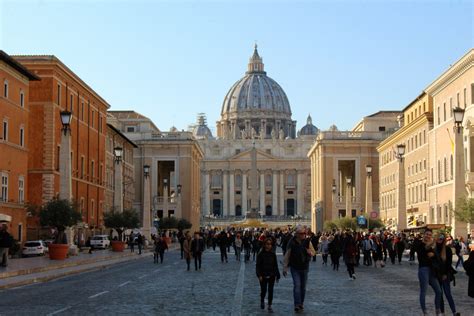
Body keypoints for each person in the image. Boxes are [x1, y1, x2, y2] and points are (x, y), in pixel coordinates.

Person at [283, 226, 316, 313]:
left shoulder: (307, 242)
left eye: (304, 233)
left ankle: (301, 303)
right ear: (297, 234)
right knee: (297, 286)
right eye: (302, 234)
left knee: (303, 287)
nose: (304, 235)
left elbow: (313, 252)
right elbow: (287, 255)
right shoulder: (291, 242)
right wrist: (285, 267)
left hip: (305, 267)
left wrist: (310, 252)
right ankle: (297, 304)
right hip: (295, 267)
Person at [415, 229, 443, 316]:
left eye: (430, 234)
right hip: (423, 269)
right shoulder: (419, 244)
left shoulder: (432, 246)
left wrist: (433, 254)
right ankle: (425, 312)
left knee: (438, 291)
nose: (428, 236)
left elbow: (436, 257)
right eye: (427, 234)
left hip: (432, 270)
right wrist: (433, 243)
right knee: (424, 291)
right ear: (424, 235)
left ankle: (437, 310)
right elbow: (424, 249)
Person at [433, 233, 459, 316]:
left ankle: (454, 312)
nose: (440, 240)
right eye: (438, 238)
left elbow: (449, 263)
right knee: (439, 294)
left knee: (448, 294)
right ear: (436, 239)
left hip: (445, 275)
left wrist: (445, 274)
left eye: (441, 239)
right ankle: (442, 312)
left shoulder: (447, 249)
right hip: (436, 275)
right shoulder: (433, 249)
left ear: (444, 240)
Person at [256, 238, 280, 313]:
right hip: (263, 275)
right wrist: (259, 275)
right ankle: (262, 300)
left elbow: (275, 265)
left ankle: (269, 305)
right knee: (263, 290)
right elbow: (258, 266)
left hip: (271, 275)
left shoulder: (273, 254)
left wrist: (277, 275)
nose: (269, 246)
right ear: (264, 245)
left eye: (270, 244)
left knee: (270, 291)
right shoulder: (260, 254)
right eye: (267, 244)